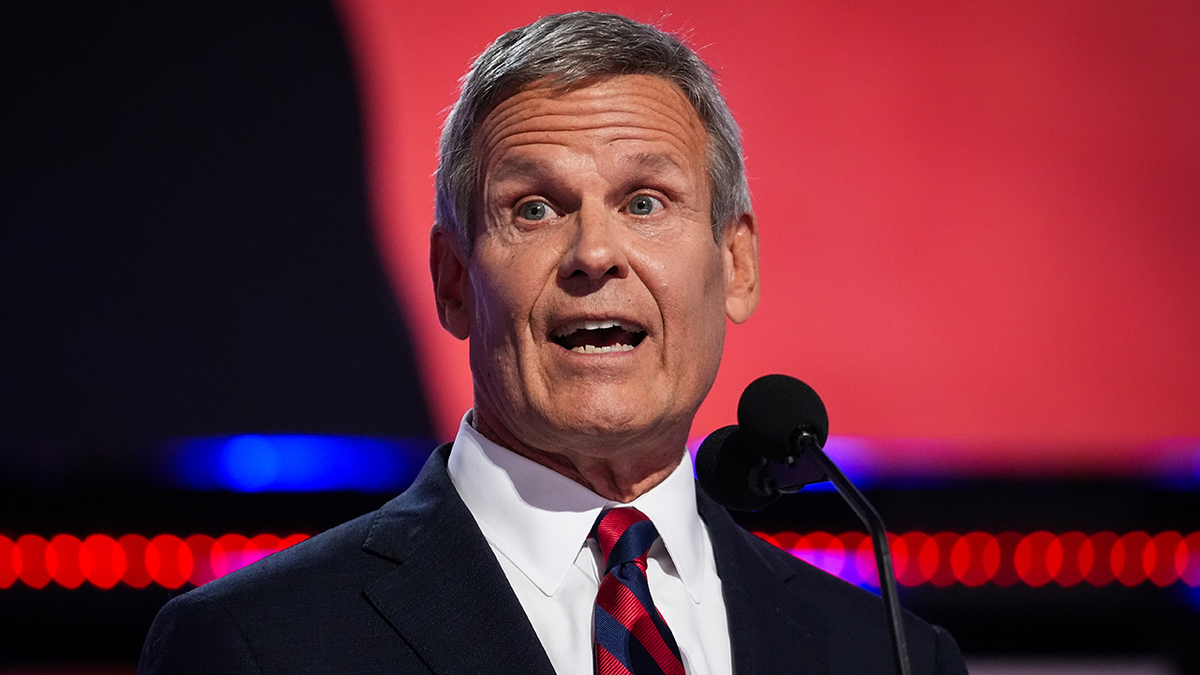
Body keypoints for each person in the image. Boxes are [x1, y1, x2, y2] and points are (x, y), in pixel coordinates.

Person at [139, 12, 968, 675]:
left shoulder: (890, 652)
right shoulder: (256, 647)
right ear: (454, 279)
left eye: (645, 202)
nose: (594, 253)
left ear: (736, 263)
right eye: (534, 208)